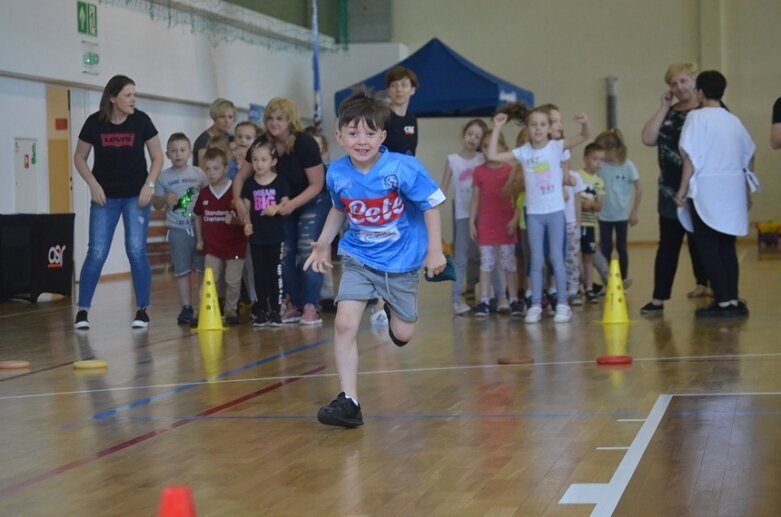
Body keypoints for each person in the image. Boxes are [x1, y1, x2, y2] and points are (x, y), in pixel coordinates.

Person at [304, 90, 446, 428]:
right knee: (344, 323)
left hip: (401, 261)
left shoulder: (402, 168)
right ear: (340, 137)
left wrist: (435, 250)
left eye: (370, 133)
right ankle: (349, 401)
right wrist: (324, 242)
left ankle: (397, 308)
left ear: (382, 136)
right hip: (358, 255)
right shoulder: (337, 174)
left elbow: (431, 204)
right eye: (353, 133)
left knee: (404, 333)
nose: (362, 140)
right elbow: (340, 210)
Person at [73, 74, 164, 330]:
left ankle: (143, 309)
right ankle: (82, 310)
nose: (133, 99)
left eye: (134, 94)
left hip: (136, 196)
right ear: (113, 98)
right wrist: (93, 184)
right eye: (127, 95)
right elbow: (79, 158)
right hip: (105, 198)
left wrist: (149, 185)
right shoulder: (95, 123)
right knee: (97, 251)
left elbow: (157, 157)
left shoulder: (142, 121)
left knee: (136, 250)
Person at [486, 103, 591, 324]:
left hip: (555, 212)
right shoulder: (524, 152)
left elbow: (584, 136)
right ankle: (535, 305)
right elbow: (493, 155)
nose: (538, 128)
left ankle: (562, 303)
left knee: (556, 257)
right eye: (534, 125)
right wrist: (496, 128)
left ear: (550, 128)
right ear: (527, 128)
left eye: (543, 124)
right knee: (536, 259)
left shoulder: (556, 147)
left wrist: (584, 124)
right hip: (533, 214)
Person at [233, 98, 327, 325]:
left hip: (311, 200)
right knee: (284, 256)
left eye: (280, 118)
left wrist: (292, 204)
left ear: (290, 120)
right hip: (280, 207)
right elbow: (241, 177)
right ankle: (293, 303)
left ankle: (310, 306)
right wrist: (237, 200)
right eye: (270, 118)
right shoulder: (262, 144)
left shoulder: (304, 143)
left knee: (307, 250)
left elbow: (317, 183)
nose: (274, 123)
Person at [675, 70, 755, 317]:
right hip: (732, 189)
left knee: (707, 246)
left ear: (699, 92)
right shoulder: (733, 120)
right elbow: (750, 153)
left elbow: (690, 156)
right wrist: (747, 188)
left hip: (707, 190)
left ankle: (721, 301)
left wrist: (682, 189)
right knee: (727, 246)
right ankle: (731, 298)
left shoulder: (696, 118)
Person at [640, 63, 711, 315]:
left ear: (694, 82)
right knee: (668, 243)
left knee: (702, 241)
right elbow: (648, 138)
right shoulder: (669, 113)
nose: (679, 87)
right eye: (673, 83)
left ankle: (709, 287)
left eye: (683, 81)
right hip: (669, 190)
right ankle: (658, 298)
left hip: (701, 189)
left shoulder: (709, 110)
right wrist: (663, 107)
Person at [152, 133, 207, 325]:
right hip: (177, 229)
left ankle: (203, 305)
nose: (178, 154)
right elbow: (157, 204)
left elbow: (209, 195)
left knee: (202, 269)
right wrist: (164, 198)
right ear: (167, 154)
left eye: (182, 150)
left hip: (200, 229)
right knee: (182, 271)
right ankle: (186, 307)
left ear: (189, 152)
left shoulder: (199, 174)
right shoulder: (163, 178)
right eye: (174, 151)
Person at [469, 130, 522, 317]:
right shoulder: (479, 171)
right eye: (484, 146)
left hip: (505, 222)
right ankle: (484, 300)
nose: (488, 149)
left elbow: (518, 200)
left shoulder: (510, 170)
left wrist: (515, 219)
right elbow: (475, 198)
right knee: (487, 263)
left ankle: (513, 298)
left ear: (502, 147)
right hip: (486, 223)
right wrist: (471, 222)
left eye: (494, 145)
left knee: (509, 263)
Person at [193, 147, 247, 326]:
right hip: (213, 247)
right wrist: (200, 239)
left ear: (226, 168)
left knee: (232, 280)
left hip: (235, 245)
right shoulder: (204, 194)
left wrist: (235, 220)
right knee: (210, 279)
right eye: (207, 169)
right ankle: (203, 310)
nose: (211, 173)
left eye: (215, 168)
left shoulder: (235, 192)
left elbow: (245, 218)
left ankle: (231, 309)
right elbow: (197, 215)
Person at [240, 140, 290, 327]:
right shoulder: (249, 184)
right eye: (255, 160)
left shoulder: (280, 182)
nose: (259, 164)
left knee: (274, 273)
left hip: (275, 236)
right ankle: (261, 309)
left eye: (263, 159)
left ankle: (276, 310)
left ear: (273, 161)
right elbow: (246, 208)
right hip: (257, 237)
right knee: (259, 274)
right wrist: (247, 223)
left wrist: (276, 207)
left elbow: (286, 203)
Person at [440, 119, 487, 315]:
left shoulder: (482, 160)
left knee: (485, 257)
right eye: (470, 134)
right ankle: (456, 301)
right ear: (463, 134)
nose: (473, 139)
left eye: (477, 136)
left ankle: (487, 296)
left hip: (483, 216)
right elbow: (443, 186)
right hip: (462, 215)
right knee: (460, 258)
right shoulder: (453, 160)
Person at [594, 129, 641, 287]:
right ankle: (606, 279)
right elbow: (594, 187)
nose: (600, 157)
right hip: (604, 216)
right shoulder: (601, 168)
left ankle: (623, 278)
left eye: (602, 152)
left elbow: (639, 189)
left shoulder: (628, 166)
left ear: (611, 150)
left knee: (622, 247)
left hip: (621, 215)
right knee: (605, 247)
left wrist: (634, 212)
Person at [578, 143, 606, 303]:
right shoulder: (577, 176)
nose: (598, 163)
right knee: (574, 256)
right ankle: (574, 287)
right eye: (595, 159)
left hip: (589, 225)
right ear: (585, 159)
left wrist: (591, 206)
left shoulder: (599, 183)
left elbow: (599, 205)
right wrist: (580, 205)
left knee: (588, 257)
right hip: (576, 224)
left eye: (602, 160)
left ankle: (589, 287)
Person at [383, 66, 418, 156]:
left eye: (404, 85)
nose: (399, 90)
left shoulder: (411, 118)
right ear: (388, 90)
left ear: (412, 90)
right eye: (394, 85)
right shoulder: (382, 117)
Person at [193, 98, 235, 167]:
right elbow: (204, 169)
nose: (227, 121)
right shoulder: (203, 140)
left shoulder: (231, 138)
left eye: (230, 117)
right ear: (214, 117)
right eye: (222, 116)